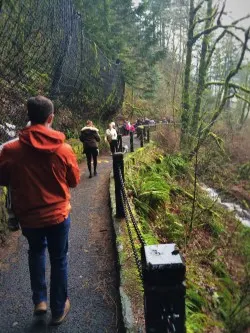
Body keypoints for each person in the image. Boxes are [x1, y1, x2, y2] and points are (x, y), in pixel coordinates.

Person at [0, 96, 80, 325]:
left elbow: (3, 176)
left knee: (35, 252)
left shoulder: (12, 150)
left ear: (29, 117)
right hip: (58, 216)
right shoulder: (63, 149)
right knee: (59, 258)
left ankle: (40, 302)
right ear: (50, 118)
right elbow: (73, 180)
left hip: (29, 218)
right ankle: (57, 309)